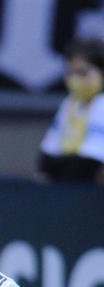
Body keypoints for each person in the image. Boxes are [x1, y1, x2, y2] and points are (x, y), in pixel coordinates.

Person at [37, 36, 104, 184]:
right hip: (69, 174)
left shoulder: (101, 104)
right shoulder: (69, 103)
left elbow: (92, 159)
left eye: (82, 73)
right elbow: (50, 147)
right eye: (70, 73)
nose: (75, 80)